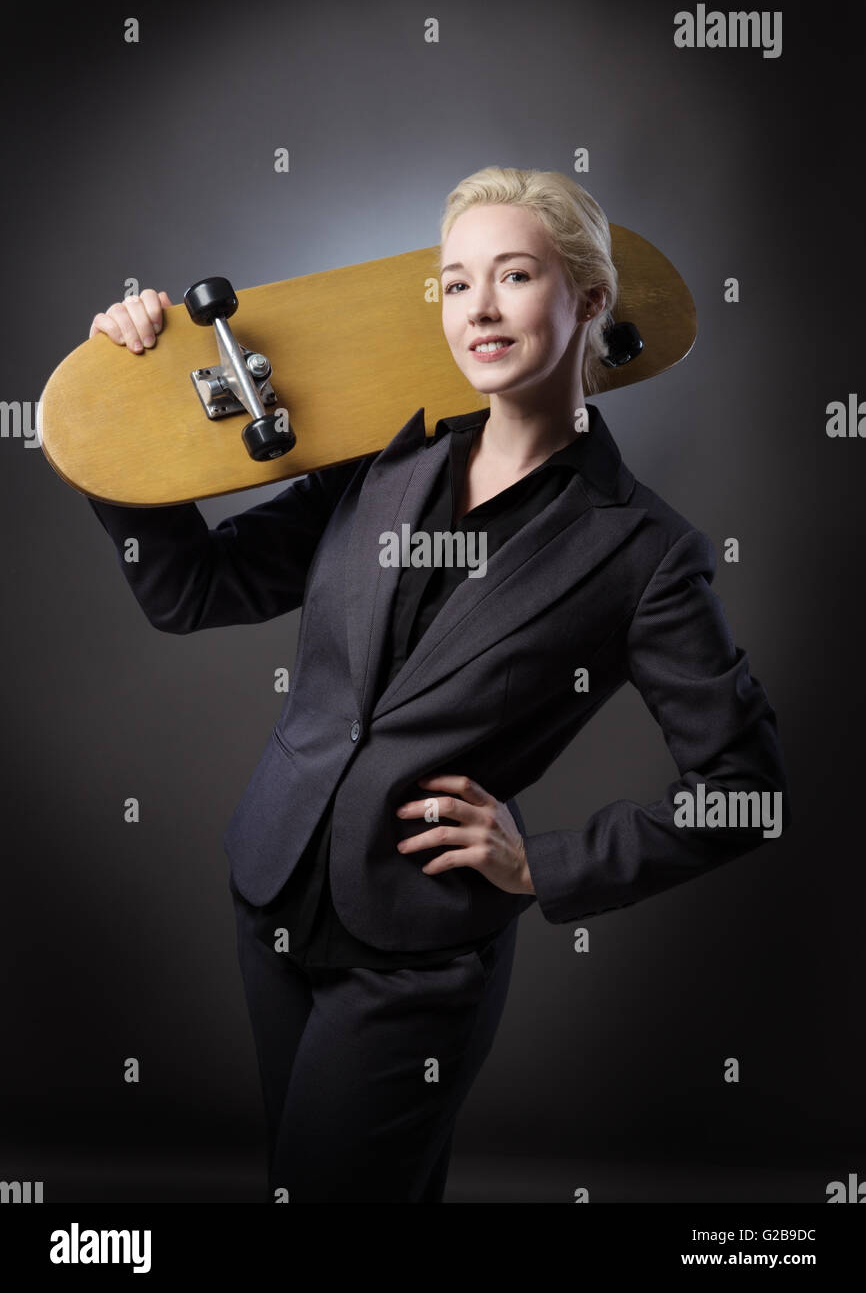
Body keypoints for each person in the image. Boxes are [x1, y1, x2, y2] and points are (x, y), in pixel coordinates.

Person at [86, 165, 790, 1202]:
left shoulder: (646, 552)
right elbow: (191, 590)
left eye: (513, 275)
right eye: (456, 283)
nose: (480, 308)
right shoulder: (381, 459)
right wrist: (122, 410)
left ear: (588, 299)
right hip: (272, 893)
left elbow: (746, 785)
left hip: (416, 956)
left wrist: (538, 861)